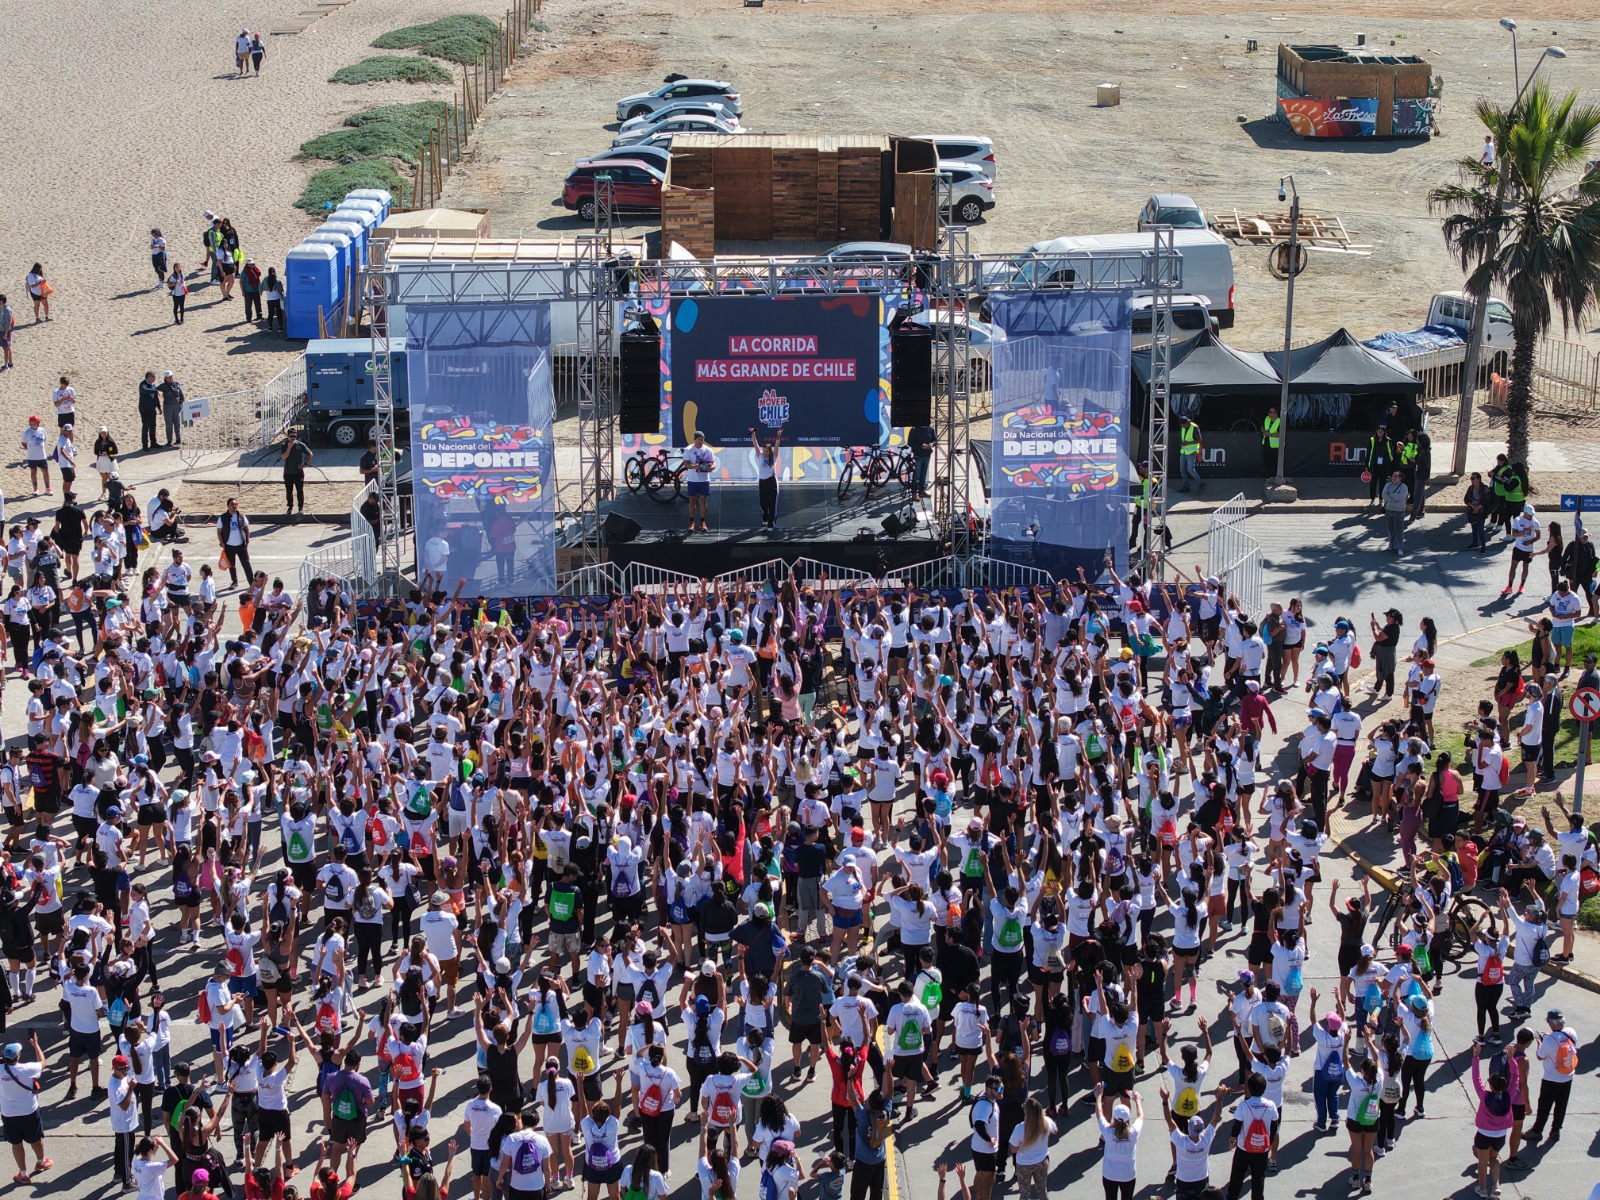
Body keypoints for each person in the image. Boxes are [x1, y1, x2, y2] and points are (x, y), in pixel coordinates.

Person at [0, 1035, 51, 1183]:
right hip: (29, 1110)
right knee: (36, 1138)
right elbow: (43, 1062)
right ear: (18, 1056)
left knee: (16, 1143)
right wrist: (36, 1045)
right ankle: (41, 1161)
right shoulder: (28, 1069)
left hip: (9, 1113)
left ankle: (23, 1174)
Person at [1524, 1008, 1577, 1147]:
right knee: (1561, 1104)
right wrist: (1548, 1038)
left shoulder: (1548, 1040)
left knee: (1544, 1105)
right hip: (1568, 1076)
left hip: (1551, 1078)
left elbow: (1540, 1056)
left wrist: (1540, 1043)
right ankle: (1555, 1130)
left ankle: (1537, 1131)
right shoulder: (1571, 1033)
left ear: (1551, 1023)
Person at [1093, 1083, 1142, 1200]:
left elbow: (1099, 1114)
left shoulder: (1108, 1133)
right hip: (1128, 1175)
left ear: (1114, 1118)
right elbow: (1141, 1116)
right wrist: (1138, 1101)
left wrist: (1099, 1096)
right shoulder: (1133, 1133)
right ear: (1128, 1119)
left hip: (1110, 1175)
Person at [683, 432, 715, 534]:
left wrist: (712, 467)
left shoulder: (707, 450)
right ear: (694, 439)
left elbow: (713, 462)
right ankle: (691, 522)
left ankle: (702, 521)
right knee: (692, 499)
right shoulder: (688, 449)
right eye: (699, 440)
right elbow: (686, 464)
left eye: (702, 439)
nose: (701, 442)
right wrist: (694, 467)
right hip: (692, 479)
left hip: (704, 479)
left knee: (703, 499)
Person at [217, 499, 253, 590]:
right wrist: (222, 543)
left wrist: (247, 541)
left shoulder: (241, 516)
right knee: (231, 565)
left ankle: (251, 582)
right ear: (228, 506)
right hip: (229, 546)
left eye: (236, 504)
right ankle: (234, 581)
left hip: (241, 545)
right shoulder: (222, 518)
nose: (234, 506)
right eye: (232, 504)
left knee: (246, 564)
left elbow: (246, 528)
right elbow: (219, 531)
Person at [750, 428, 780, 532]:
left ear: (770, 451)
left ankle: (771, 524)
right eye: (764, 451)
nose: (765, 453)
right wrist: (753, 434)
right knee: (763, 502)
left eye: (767, 451)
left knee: (772, 503)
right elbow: (755, 444)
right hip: (762, 482)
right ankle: (765, 515)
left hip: (772, 481)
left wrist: (778, 435)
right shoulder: (759, 456)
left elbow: (776, 446)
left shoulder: (774, 457)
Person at [280, 432, 312, 516]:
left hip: (298, 472)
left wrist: (305, 464)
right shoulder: (284, 444)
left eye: (294, 436)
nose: (293, 438)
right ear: (288, 436)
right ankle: (290, 507)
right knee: (289, 491)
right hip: (288, 472)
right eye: (291, 436)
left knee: (300, 491)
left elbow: (310, 454)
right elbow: (283, 457)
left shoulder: (300, 445)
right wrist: (289, 447)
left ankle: (300, 507)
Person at [20, 416, 50, 497]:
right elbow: (23, 443)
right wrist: (29, 448)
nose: (38, 423)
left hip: (42, 456)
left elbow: (44, 439)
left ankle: (48, 488)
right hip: (32, 457)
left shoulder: (42, 430)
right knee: (33, 472)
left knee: (45, 471)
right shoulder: (27, 433)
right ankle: (35, 489)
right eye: (36, 422)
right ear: (31, 423)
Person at [1380, 471, 1408, 556]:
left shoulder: (1403, 487)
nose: (1394, 478)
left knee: (1399, 530)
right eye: (1393, 476)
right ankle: (1391, 544)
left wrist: (1391, 495)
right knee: (1390, 529)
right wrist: (1394, 498)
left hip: (1399, 511)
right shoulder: (1387, 485)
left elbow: (1401, 497)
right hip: (1389, 509)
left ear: (1400, 478)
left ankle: (1399, 547)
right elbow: (1384, 495)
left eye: (1396, 476)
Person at [908, 422, 936, 497]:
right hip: (918, 455)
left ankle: (922, 490)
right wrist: (921, 446)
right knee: (916, 474)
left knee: (923, 474)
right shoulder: (914, 429)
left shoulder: (931, 429)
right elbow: (910, 442)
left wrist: (932, 444)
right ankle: (914, 492)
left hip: (927, 455)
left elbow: (935, 439)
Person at [1177, 415, 1203, 493]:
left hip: (1191, 452)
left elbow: (1199, 440)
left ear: (1187, 422)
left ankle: (1201, 483)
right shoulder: (1183, 427)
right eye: (1182, 425)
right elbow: (1181, 438)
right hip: (1184, 451)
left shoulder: (1194, 427)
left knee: (1190, 469)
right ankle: (1186, 486)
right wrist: (1181, 443)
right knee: (1182, 470)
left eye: (1184, 425)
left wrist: (1188, 443)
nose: (1183, 426)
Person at [1259, 406, 1280, 476]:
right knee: (1265, 460)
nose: (1269, 413)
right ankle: (1267, 474)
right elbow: (1262, 426)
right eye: (1269, 412)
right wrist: (1264, 431)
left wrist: (1270, 434)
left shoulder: (1279, 421)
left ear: (1275, 414)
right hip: (1266, 444)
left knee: (1274, 462)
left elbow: (1280, 434)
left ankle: (1274, 475)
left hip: (1275, 446)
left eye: (1271, 412)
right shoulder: (1267, 419)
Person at [0, 295, 13, 370]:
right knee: (7, 347)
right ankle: (10, 363)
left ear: (1, 301)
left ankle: (6, 365)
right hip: (1, 330)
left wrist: (5, 333)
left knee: (5, 348)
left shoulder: (7, 309)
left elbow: (8, 323)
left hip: (5, 331)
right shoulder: (1, 307)